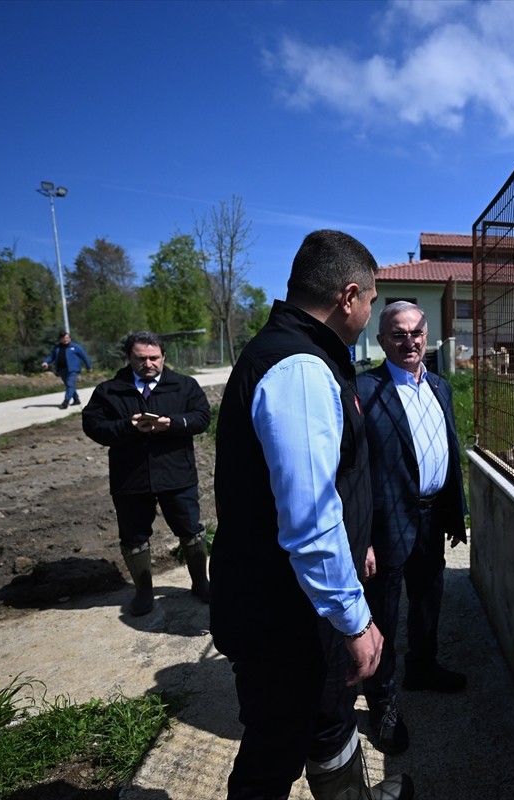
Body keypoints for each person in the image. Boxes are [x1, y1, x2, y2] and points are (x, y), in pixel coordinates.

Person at [210, 230, 411, 800]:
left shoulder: (304, 354)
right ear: (349, 296)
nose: (370, 313)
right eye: (372, 300)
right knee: (276, 746)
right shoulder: (299, 368)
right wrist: (354, 619)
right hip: (284, 611)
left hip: (295, 599)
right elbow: (309, 515)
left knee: (325, 720)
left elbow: (333, 484)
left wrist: (358, 542)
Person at [357, 301, 468, 755]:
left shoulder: (439, 385)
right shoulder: (365, 389)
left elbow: (448, 448)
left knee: (428, 594)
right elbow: (352, 470)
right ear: (382, 341)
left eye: (417, 332)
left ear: (428, 335)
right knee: (382, 611)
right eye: (398, 335)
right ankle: (382, 700)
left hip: (430, 515)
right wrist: (360, 536)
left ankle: (422, 667)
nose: (410, 341)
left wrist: (454, 512)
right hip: (386, 522)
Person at [81, 331, 211, 616]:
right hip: (131, 477)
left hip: (176, 473)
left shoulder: (184, 385)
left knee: (190, 529)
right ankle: (143, 592)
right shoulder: (110, 390)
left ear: (164, 356)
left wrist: (173, 423)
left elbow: (202, 417)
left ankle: (201, 583)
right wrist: (128, 427)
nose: (148, 363)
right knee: (134, 535)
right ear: (129, 358)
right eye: (141, 358)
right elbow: (93, 426)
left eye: (154, 358)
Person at [41, 331, 93, 409]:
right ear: (60, 339)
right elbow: (52, 357)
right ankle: (76, 400)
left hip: (73, 370)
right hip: (62, 369)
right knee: (69, 386)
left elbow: (85, 357)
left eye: (67, 338)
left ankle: (65, 402)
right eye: (64, 338)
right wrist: (46, 362)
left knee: (70, 384)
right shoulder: (57, 348)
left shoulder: (76, 347)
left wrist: (89, 367)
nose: (66, 340)